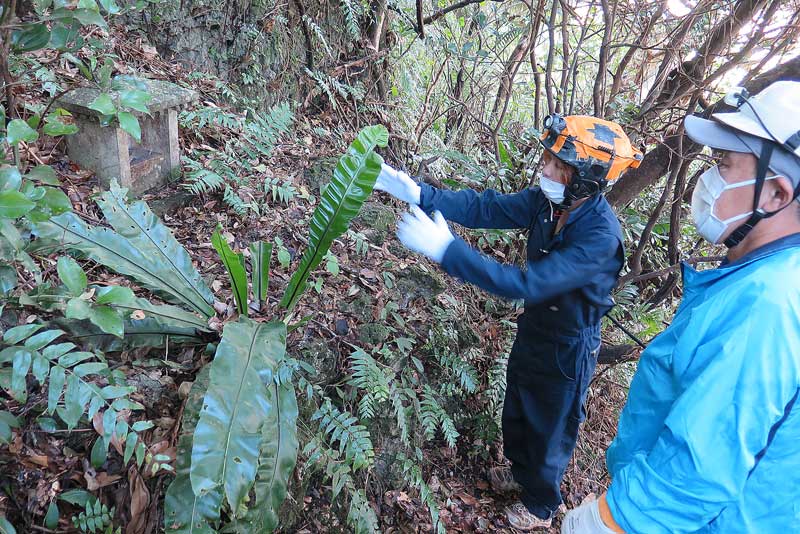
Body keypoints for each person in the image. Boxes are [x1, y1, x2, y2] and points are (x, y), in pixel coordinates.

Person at [375, 115, 642, 530]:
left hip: (569, 343)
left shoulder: (600, 238)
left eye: (560, 168)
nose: (547, 172)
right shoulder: (548, 201)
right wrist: (423, 193)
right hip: (536, 328)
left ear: (587, 181)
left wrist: (448, 251)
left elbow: (527, 283)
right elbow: (488, 207)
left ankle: (540, 504)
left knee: (551, 425)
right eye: (549, 161)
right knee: (518, 405)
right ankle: (519, 473)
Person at [562, 81, 800, 534]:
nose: (708, 180)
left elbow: (699, 464)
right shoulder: (756, 277)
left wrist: (609, 522)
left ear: (776, 195)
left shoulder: (769, 301)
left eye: (725, 165)